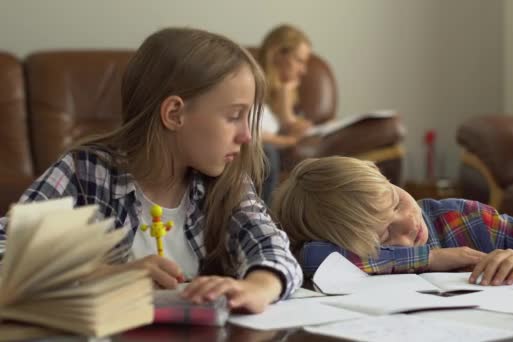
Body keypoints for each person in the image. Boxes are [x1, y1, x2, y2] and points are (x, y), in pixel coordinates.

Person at [0, 27, 302, 314]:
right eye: (234, 115)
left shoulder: (228, 181)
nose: (247, 136)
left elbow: (272, 247)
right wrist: (105, 275)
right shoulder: (84, 172)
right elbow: (6, 250)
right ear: (174, 114)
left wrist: (257, 287)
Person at [272, 156, 513, 286]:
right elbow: (310, 258)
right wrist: (430, 258)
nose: (407, 221)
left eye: (395, 200)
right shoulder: (333, 256)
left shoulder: (461, 219)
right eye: (387, 232)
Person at [257, 24, 314, 203]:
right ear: (277, 54)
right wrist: (288, 140)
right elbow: (251, 131)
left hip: (271, 149)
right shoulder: (252, 84)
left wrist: (284, 98)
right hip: (260, 150)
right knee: (268, 153)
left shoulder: (284, 92)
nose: (303, 70)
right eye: (299, 60)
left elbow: (288, 126)